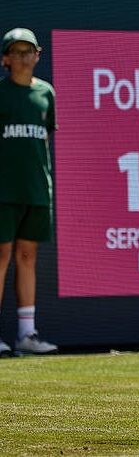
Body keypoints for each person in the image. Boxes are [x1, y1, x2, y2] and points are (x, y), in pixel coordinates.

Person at [0, 28, 58, 357]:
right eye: (16, 51)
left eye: (29, 51)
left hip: (36, 190)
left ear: (38, 54)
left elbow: (44, 141)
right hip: (4, 191)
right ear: (5, 59)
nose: (23, 57)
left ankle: (26, 334)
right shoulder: (1, 93)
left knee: (27, 257)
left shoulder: (46, 93)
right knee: (1, 257)